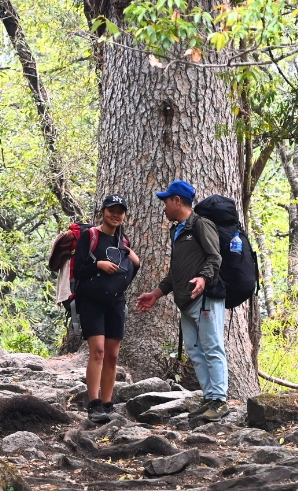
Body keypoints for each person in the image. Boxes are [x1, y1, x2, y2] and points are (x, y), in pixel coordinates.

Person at [135, 179, 228, 422]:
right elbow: (176, 272)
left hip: (205, 298)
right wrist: (156, 294)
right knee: (195, 351)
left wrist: (203, 279)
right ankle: (209, 398)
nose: (164, 206)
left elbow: (215, 258)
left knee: (212, 347)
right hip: (186, 302)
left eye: (166, 200)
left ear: (177, 200)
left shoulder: (201, 225)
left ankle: (219, 400)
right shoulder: (177, 230)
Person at [72, 195, 141, 423]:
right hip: (91, 301)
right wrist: (97, 265)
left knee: (112, 355)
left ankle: (108, 403)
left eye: (120, 211)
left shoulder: (124, 242)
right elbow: (78, 271)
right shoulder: (89, 237)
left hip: (116, 302)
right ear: (103, 211)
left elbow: (131, 269)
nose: (116, 215)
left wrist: (131, 256)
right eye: (112, 210)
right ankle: (93, 404)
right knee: (98, 351)